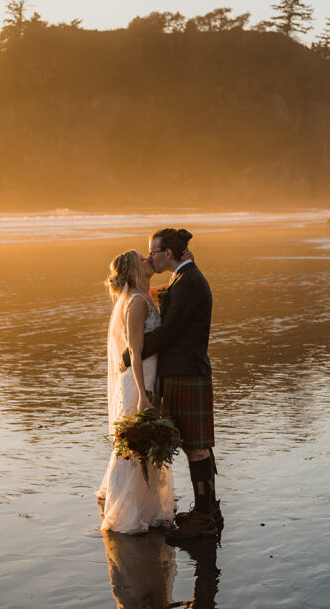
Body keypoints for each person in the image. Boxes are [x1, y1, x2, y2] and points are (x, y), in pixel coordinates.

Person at [126, 228, 221, 540]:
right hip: (186, 370)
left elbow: (170, 333)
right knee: (198, 445)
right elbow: (170, 313)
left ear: (168, 253)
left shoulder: (189, 282)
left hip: (186, 372)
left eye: (154, 251)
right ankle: (208, 510)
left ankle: (205, 518)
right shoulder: (185, 278)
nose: (150, 256)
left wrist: (132, 356)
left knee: (195, 446)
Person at [96, 250, 175, 534]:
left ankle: (147, 506)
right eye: (143, 259)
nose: (148, 260)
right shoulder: (138, 303)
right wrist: (143, 394)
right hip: (140, 379)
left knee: (146, 441)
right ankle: (128, 511)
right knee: (135, 442)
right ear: (132, 271)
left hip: (150, 376)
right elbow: (135, 352)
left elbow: (173, 286)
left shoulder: (144, 295)